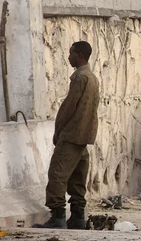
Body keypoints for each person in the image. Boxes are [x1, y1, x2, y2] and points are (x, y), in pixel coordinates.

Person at [35, 41, 100, 229]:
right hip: (84, 135)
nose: (68, 57)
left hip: (72, 135)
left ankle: (58, 217)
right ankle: (78, 217)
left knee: (57, 174)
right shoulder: (92, 77)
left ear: (79, 55)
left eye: (71, 53)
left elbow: (69, 107)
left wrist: (58, 131)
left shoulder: (80, 77)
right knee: (78, 177)